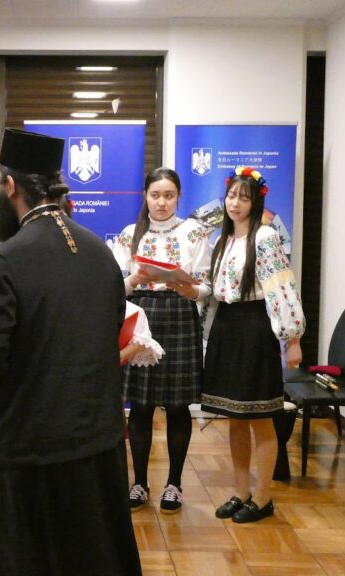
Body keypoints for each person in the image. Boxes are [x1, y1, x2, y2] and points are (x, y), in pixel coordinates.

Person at [0, 128, 142, 576]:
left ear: (9, 187)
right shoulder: (100, 251)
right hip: (97, 438)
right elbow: (109, 331)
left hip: (31, 445)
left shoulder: (8, 259)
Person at [202, 167, 304, 523]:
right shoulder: (223, 239)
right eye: (231, 196)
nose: (235, 203)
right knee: (234, 417)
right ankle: (241, 491)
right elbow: (217, 291)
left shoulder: (265, 237)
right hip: (227, 328)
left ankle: (263, 497)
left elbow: (281, 287)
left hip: (255, 328)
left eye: (243, 198)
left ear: (256, 202)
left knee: (260, 417)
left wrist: (293, 339)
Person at [111, 167, 211, 514]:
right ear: (145, 197)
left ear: (178, 197)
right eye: (155, 195)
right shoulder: (130, 234)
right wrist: (134, 280)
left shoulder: (194, 232)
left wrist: (189, 289)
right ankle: (139, 483)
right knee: (140, 404)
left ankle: (175, 484)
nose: (162, 202)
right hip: (141, 316)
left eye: (169, 195)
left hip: (180, 315)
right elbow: (116, 287)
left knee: (178, 405)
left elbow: (206, 286)